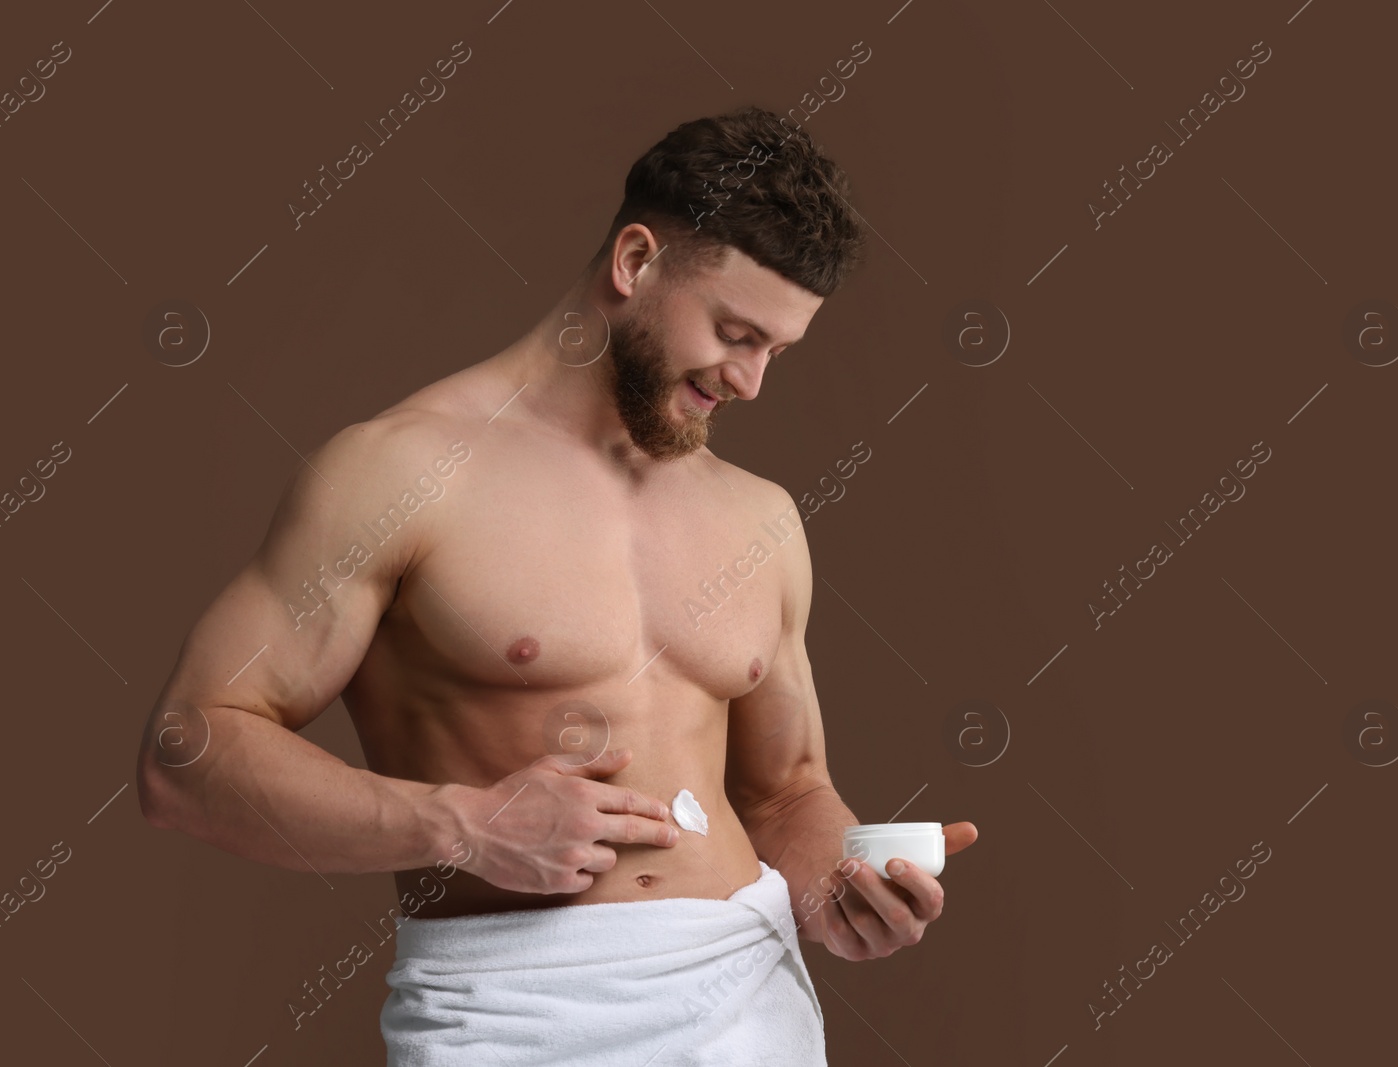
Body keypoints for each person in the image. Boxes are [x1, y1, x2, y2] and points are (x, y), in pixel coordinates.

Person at [136, 104, 977, 1065]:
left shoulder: (761, 518)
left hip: (750, 1006)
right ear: (635, 262)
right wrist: (458, 824)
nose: (749, 382)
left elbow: (787, 793)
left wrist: (843, 890)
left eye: (776, 353)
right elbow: (184, 754)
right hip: (512, 1015)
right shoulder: (402, 473)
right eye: (736, 332)